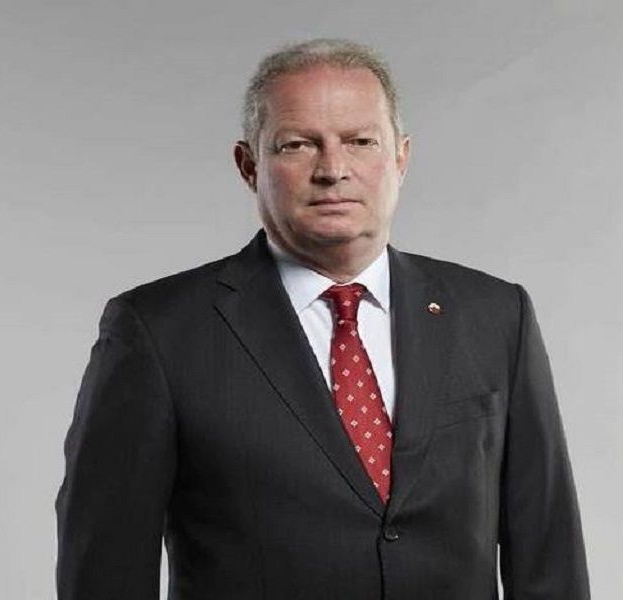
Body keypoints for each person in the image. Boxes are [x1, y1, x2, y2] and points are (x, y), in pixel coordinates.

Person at [55, 38, 590, 600]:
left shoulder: (495, 315)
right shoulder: (158, 332)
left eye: (361, 142)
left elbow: (547, 554)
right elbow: (104, 571)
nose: (333, 170)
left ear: (401, 157)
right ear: (249, 165)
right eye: (297, 145)